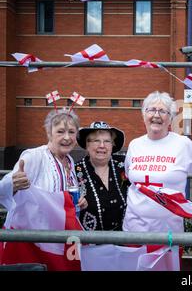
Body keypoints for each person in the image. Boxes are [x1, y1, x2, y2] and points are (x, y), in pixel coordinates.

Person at [122, 91, 192, 269]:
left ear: (170, 119)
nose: (156, 115)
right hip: (134, 231)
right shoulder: (135, 145)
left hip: (168, 233)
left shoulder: (183, 144)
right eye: (151, 110)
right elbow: (130, 178)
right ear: (143, 115)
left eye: (163, 111)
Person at [0, 108, 87, 270]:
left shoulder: (70, 162)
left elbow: (61, 199)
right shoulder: (34, 156)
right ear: (49, 133)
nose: (67, 137)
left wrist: (78, 203)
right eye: (60, 131)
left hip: (59, 241)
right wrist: (12, 183)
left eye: (71, 132)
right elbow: (3, 186)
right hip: (32, 243)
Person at [75, 121, 129, 231]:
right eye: (96, 141)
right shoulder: (74, 171)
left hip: (124, 242)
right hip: (89, 243)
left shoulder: (124, 166)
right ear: (87, 144)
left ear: (112, 145)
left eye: (107, 141)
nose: (102, 146)